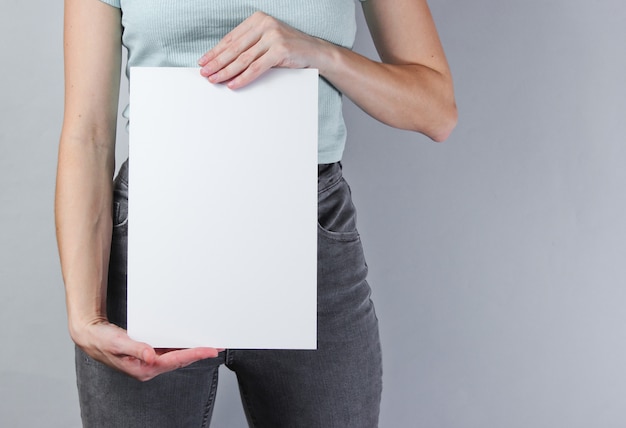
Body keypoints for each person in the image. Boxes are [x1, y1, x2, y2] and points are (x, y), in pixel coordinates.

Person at [55, 0, 457, 426]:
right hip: (155, 244)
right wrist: (85, 316)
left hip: (308, 241)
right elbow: (89, 135)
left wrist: (318, 52)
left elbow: (435, 110)